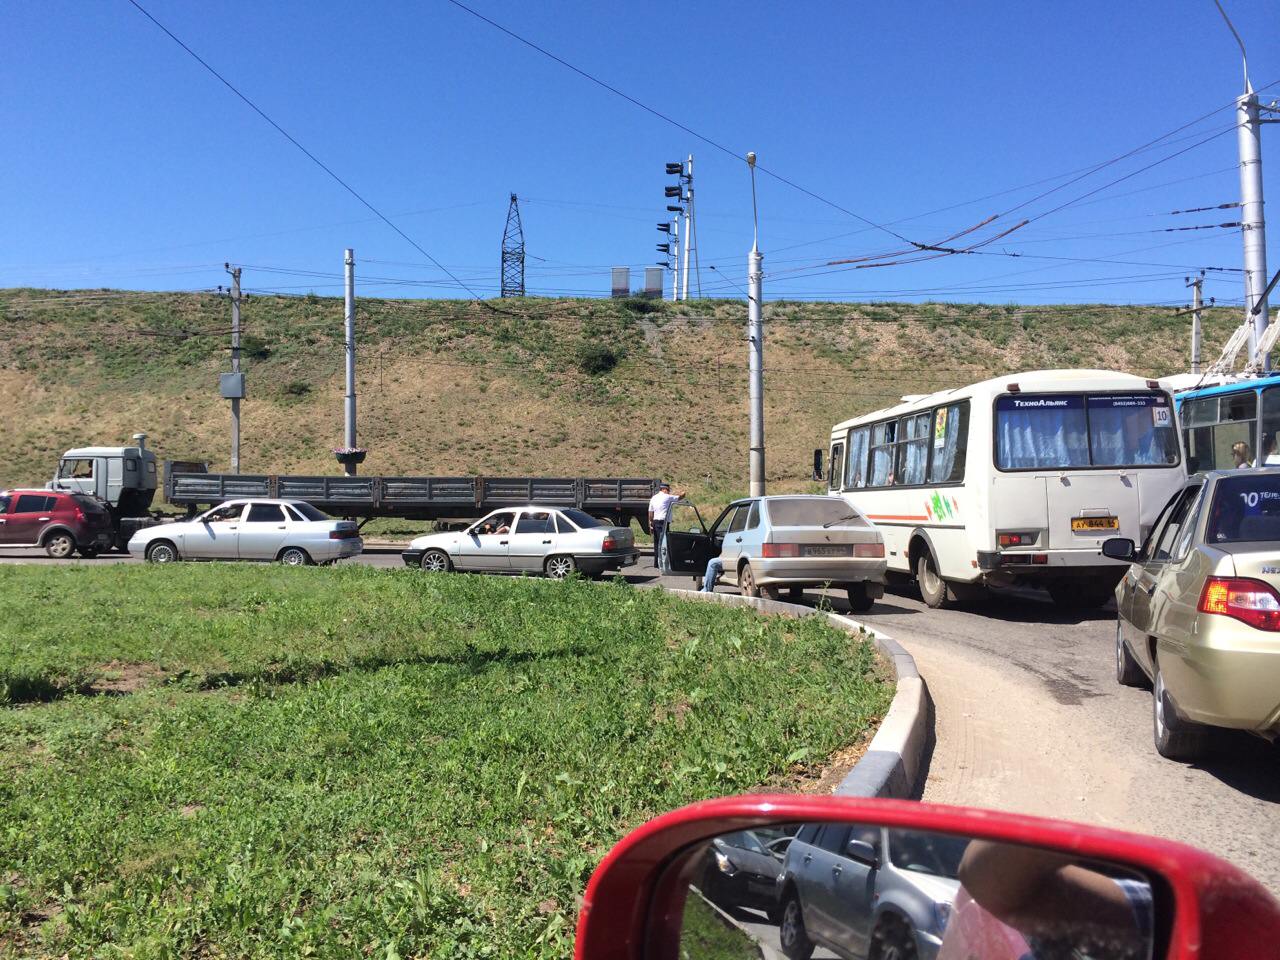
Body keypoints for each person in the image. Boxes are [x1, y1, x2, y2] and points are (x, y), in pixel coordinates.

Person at [647, 482, 683, 572]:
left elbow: (650, 513)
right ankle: (663, 564)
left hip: (655, 521)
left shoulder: (654, 498)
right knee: (663, 543)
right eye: (668, 490)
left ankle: (656, 563)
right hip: (663, 522)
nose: (668, 492)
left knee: (656, 543)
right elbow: (680, 497)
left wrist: (651, 524)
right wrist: (683, 492)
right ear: (665, 489)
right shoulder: (667, 497)